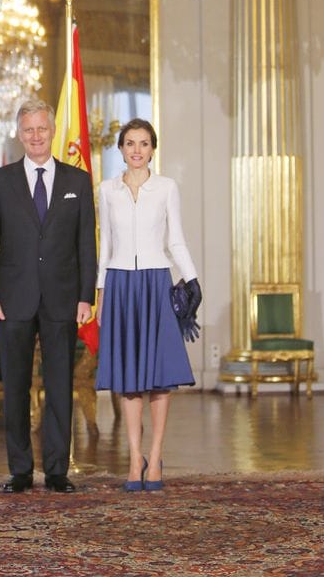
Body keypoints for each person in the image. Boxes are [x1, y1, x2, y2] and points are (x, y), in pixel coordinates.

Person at [0, 98, 97, 494]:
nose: (35, 136)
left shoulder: (77, 182)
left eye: (41, 129)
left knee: (59, 384)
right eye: (27, 129)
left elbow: (86, 245)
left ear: (52, 132)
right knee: (14, 385)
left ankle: (58, 469)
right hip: (13, 299)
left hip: (63, 299)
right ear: (19, 133)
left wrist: (85, 296)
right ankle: (21, 469)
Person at [96, 118, 202, 492]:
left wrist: (192, 279)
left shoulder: (167, 188)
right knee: (128, 379)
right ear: (121, 149)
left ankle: (155, 456)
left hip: (157, 283)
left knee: (158, 376)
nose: (137, 150)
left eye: (143, 143)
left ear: (153, 148)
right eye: (130, 143)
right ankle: (133, 456)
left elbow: (177, 240)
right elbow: (105, 244)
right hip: (121, 284)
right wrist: (101, 291)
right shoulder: (106, 190)